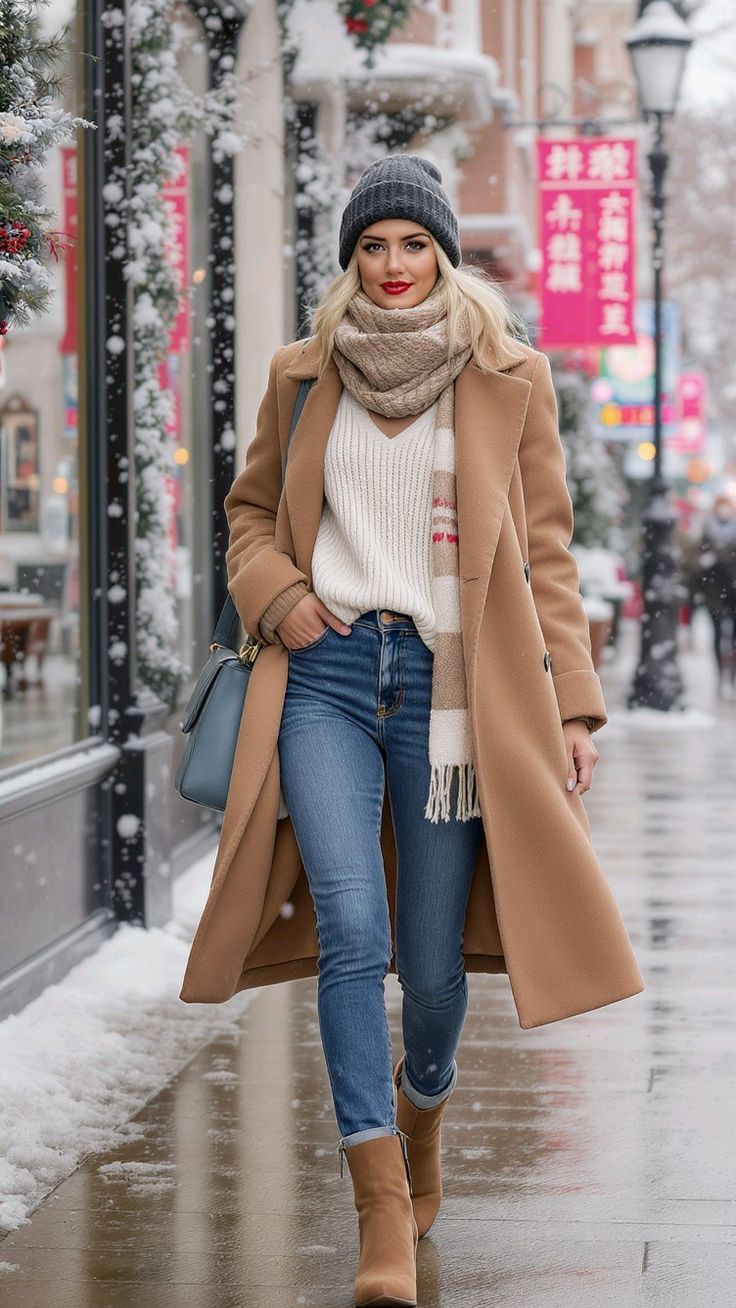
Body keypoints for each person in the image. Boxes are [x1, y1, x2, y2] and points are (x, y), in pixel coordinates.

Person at [180, 153, 644, 1308]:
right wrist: (278, 594)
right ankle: (378, 1205)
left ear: (444, 254)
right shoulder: (301, 374)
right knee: (350, 927)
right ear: (350, 261)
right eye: (372, 247)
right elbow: (248, 514)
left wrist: (575, 701)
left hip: (449, 693)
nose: (392, 267)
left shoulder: (507, 377)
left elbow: (543, 553)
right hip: (326, 675)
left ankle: (421, 1108)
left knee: (430, 971)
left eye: (412, 245)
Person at [693, 493, 736, 697]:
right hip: (714, 593)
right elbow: (698, 563)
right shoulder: (707, 530)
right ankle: (720, 677)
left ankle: (733, 678)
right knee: (718, 635)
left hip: (734, 592)